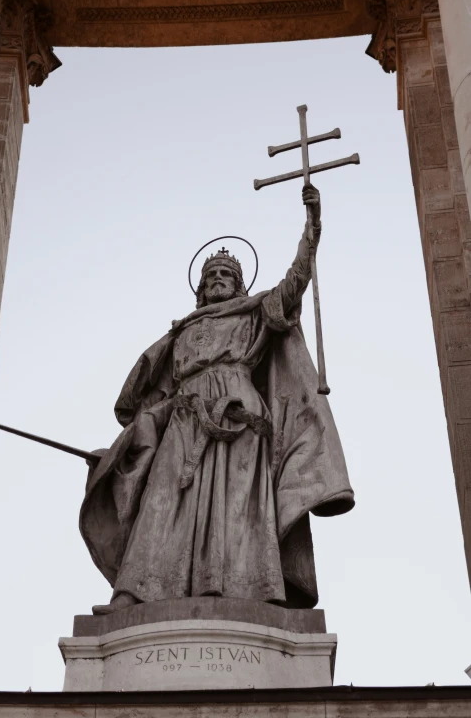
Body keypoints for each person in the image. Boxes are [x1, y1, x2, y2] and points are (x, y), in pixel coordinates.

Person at [81, 183, 354, 614]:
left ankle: (252, 594)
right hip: (184, 421)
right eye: (211, 278)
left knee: (239, 511)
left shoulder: (253, 314)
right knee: (161, 502)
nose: (217, 281)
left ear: (239, 285)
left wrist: (312, 229)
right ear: (200, 290)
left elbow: (292, 286)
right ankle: (132, 593)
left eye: (226, 275)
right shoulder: (181, 333)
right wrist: (121, 449)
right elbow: (160, 400)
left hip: (239, 419)